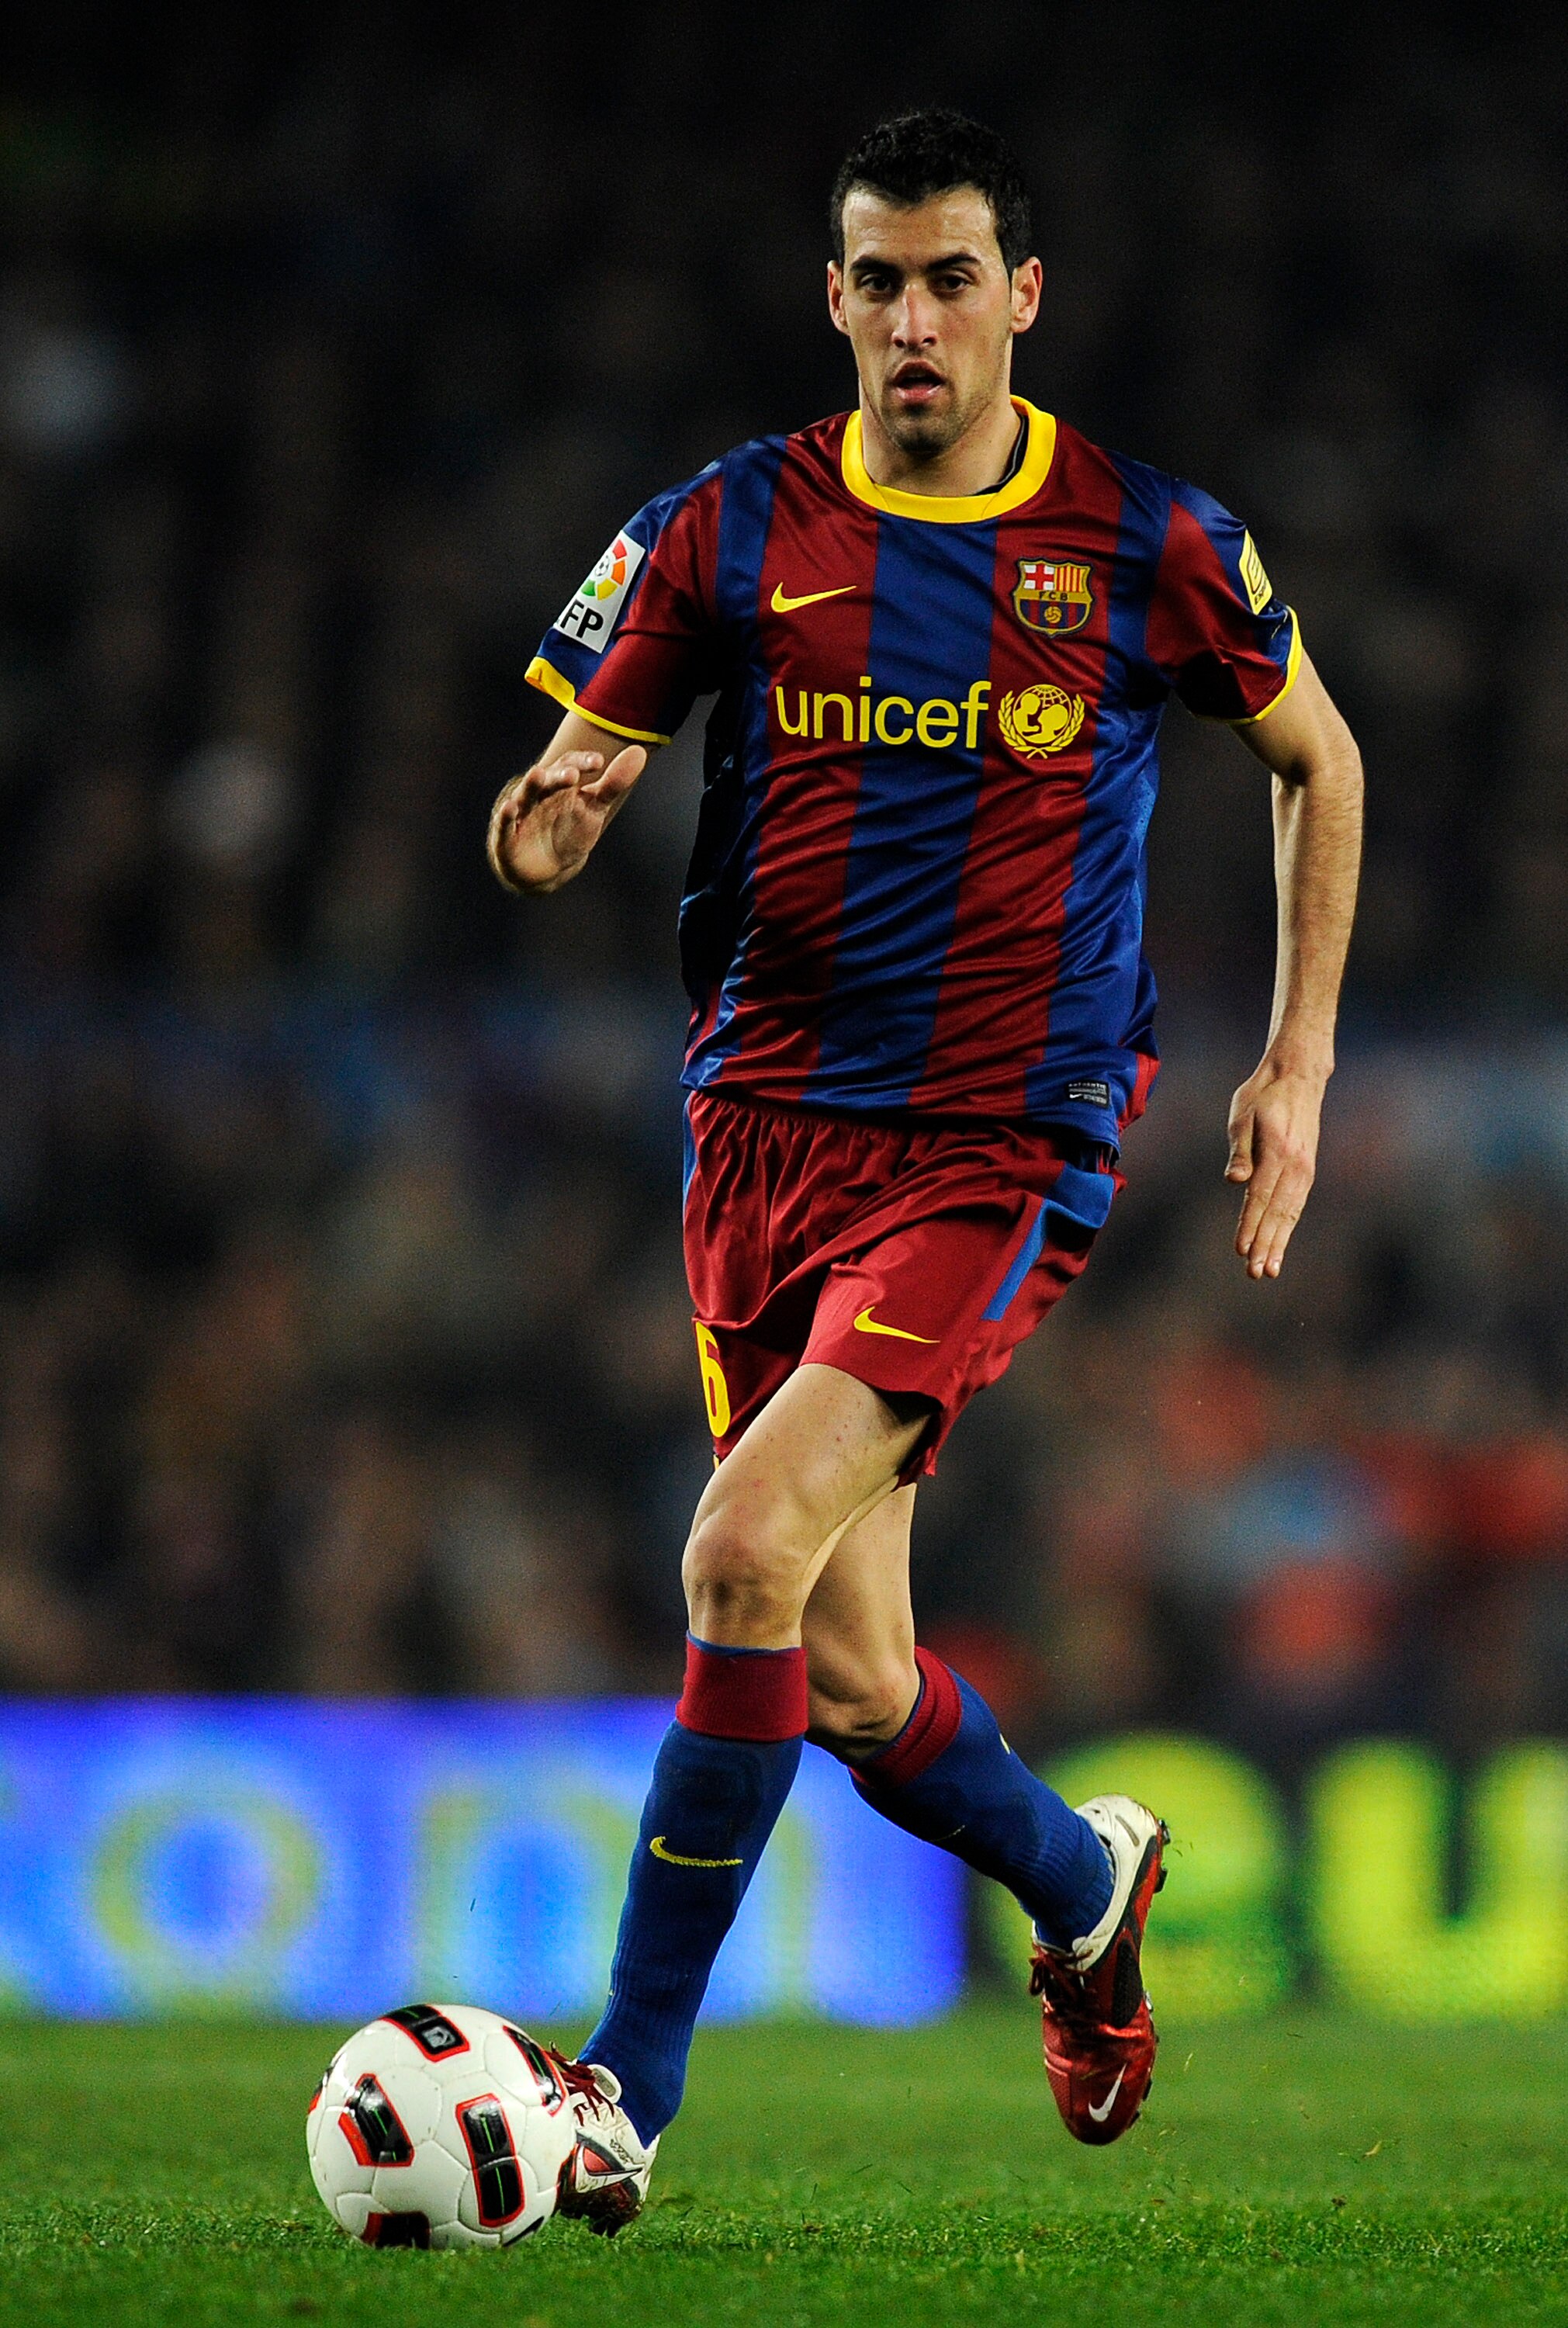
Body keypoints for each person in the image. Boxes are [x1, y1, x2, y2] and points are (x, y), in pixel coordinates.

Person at [487, 106, 1362, 2230]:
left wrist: (1296, 1062)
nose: (911, 321)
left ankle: (628, 2092)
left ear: (1020, 298)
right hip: (760, 1136)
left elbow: (1317, 758)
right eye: (875, 280)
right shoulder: (724, 530)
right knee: (855, 1677)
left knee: (734, 1556)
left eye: (950, 277)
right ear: (835, 298)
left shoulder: (1146, 538)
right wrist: (559, 806)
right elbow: (546, 787)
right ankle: (1085, 1882)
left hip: (999, 1141)